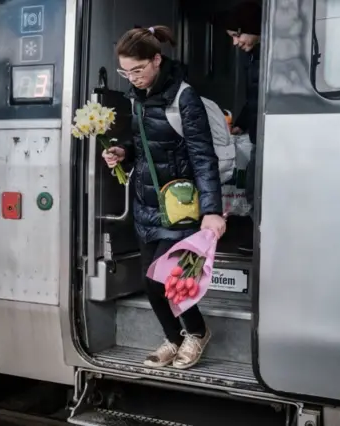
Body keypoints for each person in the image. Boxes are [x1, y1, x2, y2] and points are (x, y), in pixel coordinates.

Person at [101, 25, 226, 370]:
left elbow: (203, 156)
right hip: (146, 205)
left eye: (137, 70)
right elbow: (143, 144)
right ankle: (174, 338)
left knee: (170, 280)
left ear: (156, 60)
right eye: (125, 72)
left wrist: (212, 211)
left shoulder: (184, 97)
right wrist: (122, 151)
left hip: (180, 207)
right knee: (150, 282)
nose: (132, 78)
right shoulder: (135, 97)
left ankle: (197, 333)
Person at [225, 1, 262, 253]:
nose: (235, 42)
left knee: (254, 187)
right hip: (258, 132)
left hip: (269, 136)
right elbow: (254, 99)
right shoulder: (256, 55)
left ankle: (259, 239)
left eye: (237, 34)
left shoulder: (269, 56)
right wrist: (241, 124)